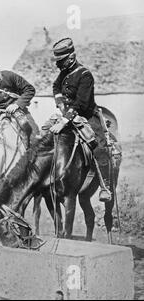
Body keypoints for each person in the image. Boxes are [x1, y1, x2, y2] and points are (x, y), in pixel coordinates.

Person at [41, 37, 111, 202]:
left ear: (71, 58)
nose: (58, 65)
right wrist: (59, 104)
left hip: (86, 115)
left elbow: (81, 104)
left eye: (61, 61)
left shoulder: (85, 75)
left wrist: (65, 121)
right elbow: (56, 87)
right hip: (66, 113)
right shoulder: (64, 73)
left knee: (97, 146)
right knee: (44, 132)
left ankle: (105, 186)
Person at [0, 58, 39, 156]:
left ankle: (36, 163)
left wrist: (17, 104)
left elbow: (30, 90)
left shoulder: (9, 76)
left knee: (34, 133)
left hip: (18, 109)